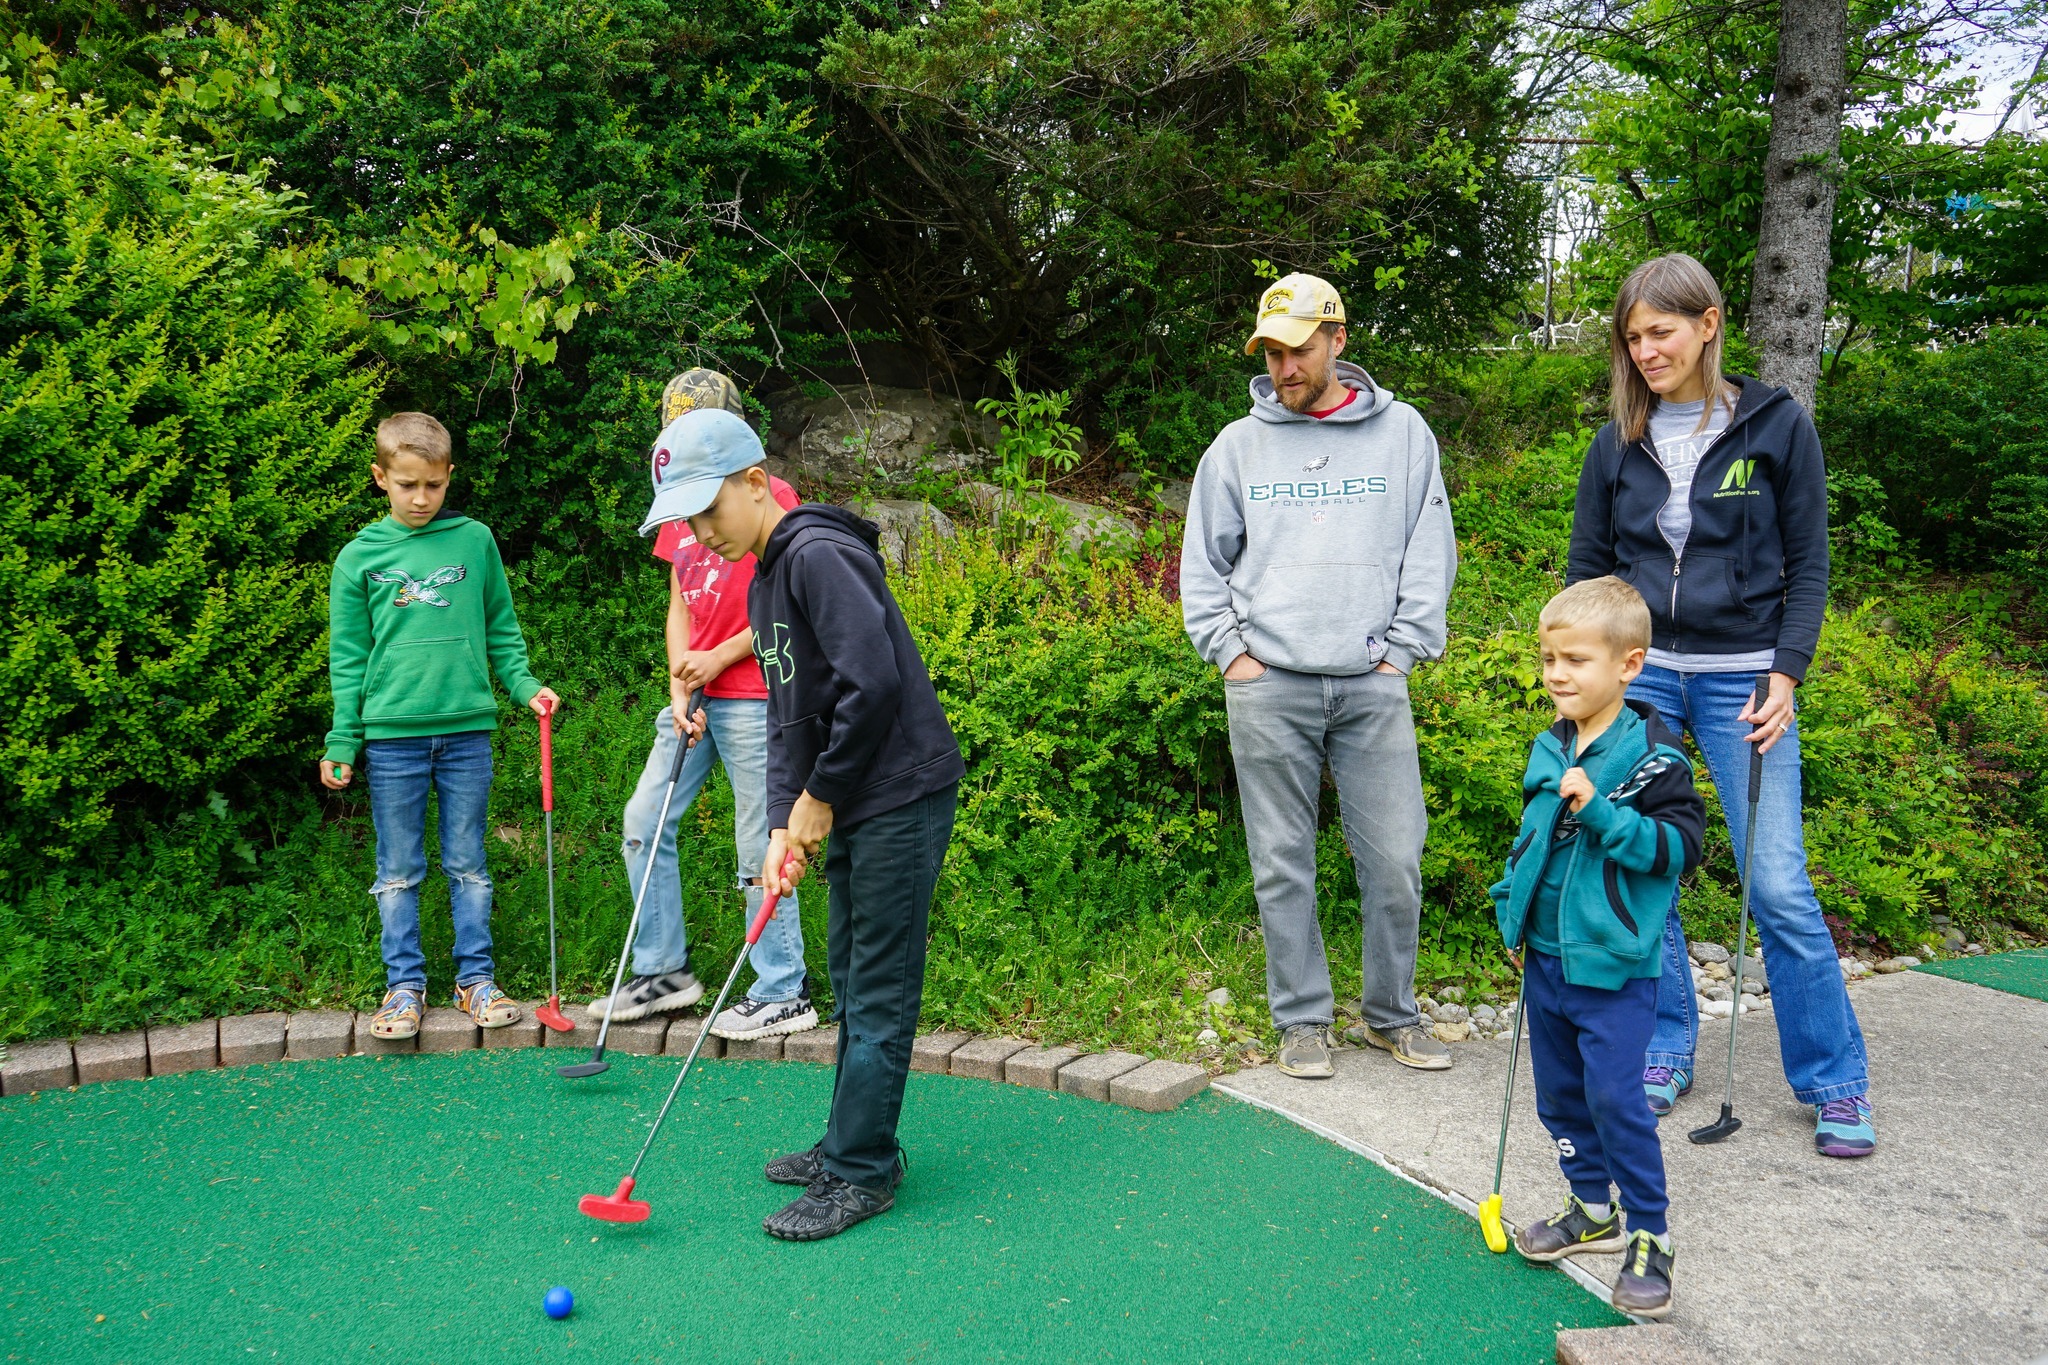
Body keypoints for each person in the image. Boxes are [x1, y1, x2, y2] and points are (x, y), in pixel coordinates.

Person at [1567, 251, 1875, 1158]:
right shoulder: (1617, 440)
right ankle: (1664, 1049)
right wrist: (1592, 686)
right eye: (1633, 337)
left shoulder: (1777, 424)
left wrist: (1787, 675)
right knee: (1643, 873)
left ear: (1709, 324)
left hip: (1747, 680)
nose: (1646, 350)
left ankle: (1836, 1082)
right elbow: (1589, 572)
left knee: (1777, 883)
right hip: (1644, 676)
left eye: (1660, 331)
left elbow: (1809, 564)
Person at [666, 407, 964, 1241]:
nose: (700, 531)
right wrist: (777, 824)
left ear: (757, 482)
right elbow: (788, 714)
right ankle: (850, 1140)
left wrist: (820, 799)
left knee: (877, 984)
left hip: (898, 792)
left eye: (709, 508)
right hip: (859, 793)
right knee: (846, 968)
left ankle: (862, 1171)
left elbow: (871, 688)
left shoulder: (821, 557)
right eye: (686, 518)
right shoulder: (765, 577)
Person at [1180, 272, 1458, 1079]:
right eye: (1271, 350)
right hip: (1270, 684)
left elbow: (1428, 548)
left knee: (1398, 857)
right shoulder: (1237, 446)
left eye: (1298, 348)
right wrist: (1232, 654)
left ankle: (1391, 1015)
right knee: (1280, 860)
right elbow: (1203, 565)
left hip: (1372, 681)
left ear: (1338, 340)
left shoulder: (1404, 433)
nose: (1283, 365)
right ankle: (1302, 1022)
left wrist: (1401, 649)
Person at [1491, 576, 1706, 1321]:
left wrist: (1607, 813)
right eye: (1549, 658)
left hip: (1614, 966)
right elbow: (1530, 840)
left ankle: (1650, 1232)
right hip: (1546, 958)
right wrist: (1509, 908)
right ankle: (1591, 1207)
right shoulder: (1549, 745)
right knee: (1560, 1096)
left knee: (1617, 1098)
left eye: (1576, 659)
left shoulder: (1653, 756)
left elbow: (1681, 848)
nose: (1557, 673)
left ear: (1629, 664)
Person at [586, 371, 816, 1043]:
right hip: (696, 695)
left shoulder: (768, 497)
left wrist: (717, 661)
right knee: (642, 820)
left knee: (758, 841)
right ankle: (663, 972)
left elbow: (782, 605)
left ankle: (782, 987)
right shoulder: (680, 508)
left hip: (751, 695)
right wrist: (679, 681)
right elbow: (680, 601)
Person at [320, 412, 560, 1040]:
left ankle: (474, 980)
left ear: (449, 476)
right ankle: (404, 989)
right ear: (380, 478)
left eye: (432, 484)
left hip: (466, 733)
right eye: (406, 485)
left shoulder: (475, 542)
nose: (420, 498)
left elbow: (502, 631)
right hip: (392, 735)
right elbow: (347, 659)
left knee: (468, 863)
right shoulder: (359, 557)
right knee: (398, 867)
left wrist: (525, 686)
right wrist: (342, 739)